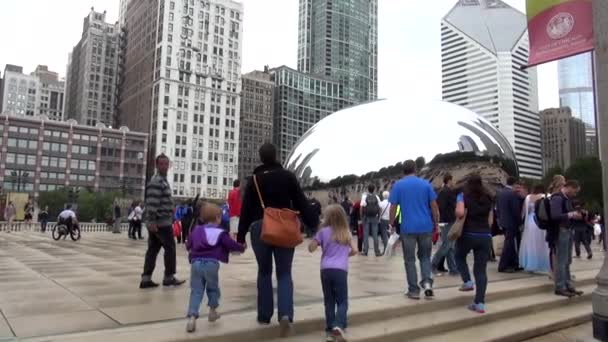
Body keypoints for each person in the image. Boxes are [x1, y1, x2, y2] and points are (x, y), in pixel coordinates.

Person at [237, 143, 319, 337]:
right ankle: (286, 314)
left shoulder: (254, 180)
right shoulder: (288, 177)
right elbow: (301, 201)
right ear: (276, 156)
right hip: (284, 227)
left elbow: (246, 210)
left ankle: (264, 315)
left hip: (259, 227)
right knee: (284, 273)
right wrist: (313, 223)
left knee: (264, 272)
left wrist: (240, 237)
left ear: (261, 157)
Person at [185, 203, 246, 333]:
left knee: (196, 290)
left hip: (195, 264)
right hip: (211, 264)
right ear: (218, 218)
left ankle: (192, 316)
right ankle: (212, 311)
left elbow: (188, 244)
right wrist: (242, 247)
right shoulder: (220, 232)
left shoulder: (197, 230)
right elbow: (231, 244)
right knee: (213, 288)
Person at [389, 160, 440, 300]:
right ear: (415, 169)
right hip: (426, 226)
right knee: (425, 257)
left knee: (409, 260)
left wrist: (391, 224)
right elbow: (434, 206)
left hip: (408, 228)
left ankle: (413, 290)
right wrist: (436, 223)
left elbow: (393, 207)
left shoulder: (398, 185)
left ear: (403, 171)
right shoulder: (426, 184)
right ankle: (428, 284)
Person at [308, 205, 358, 342]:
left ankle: (330, 329)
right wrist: (343, 256)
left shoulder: (323, 231)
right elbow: (354, 251)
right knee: (342, 301)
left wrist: (316, 238)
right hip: (341, 270)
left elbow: (311, 248)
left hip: (325, 269)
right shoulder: (346, 232)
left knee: (329, 301)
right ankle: (338, 325)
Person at [140, 154, 185, 289]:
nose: (164, 166)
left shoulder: (162, 181)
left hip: (160, 221)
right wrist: (152, 221)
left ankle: (146, 279)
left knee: (152, 250)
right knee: (170, 249)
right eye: (161, 164)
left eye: (166, 164)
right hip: (161, 222)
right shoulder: (157, 181)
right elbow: (152, 202)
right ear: (157, 165)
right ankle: (169, 277)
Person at [454, 174, 494, 314]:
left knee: (458, 256)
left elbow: (459, 212)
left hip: (468, 233)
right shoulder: (488, 197)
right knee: (481, 270)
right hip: (485, 235)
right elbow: (490, 221)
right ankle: (480, 303)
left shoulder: (463, 195)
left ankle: (467, 282)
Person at [550, 180, 584, 297]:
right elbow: (555, 215)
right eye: (575, 191)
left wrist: (575, 216)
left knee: (567, 260)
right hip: (561, 231)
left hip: (567, 230)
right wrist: (571, 214)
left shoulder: (566, 199)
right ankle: (560, 286)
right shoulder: (557, 198)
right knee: (562, 260)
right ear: (569, 187)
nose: (575, 194)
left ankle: (568, 285)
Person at [519, 185, 551, 273]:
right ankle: (544, 264)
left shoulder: (528, 197)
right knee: (542, 243)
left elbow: (524, 212)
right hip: (541, 221)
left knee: (531, 243)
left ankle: (531, 263)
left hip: (530, 221)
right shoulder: (547, 196)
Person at [432, 174, 458, 276]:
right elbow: (441, 207)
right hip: (447, 221)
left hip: (448, 220)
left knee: (450, 246)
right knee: (447, 245)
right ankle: (433, 264)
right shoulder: (445, 192)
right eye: (452, 181)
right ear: (449, 181)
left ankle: (453, 269)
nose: (453, 183)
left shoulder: (444, 191)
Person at [496, 177, 524, 273]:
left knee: (510, 244)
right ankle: (503, 265)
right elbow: (515, 210)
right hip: (512, 222)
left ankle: (513, 263)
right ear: (514, 184)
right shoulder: (512, 194)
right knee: (509, 244)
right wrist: (520, 222)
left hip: (504, 222)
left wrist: (499, 220)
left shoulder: (500, 192)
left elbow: (498, 208)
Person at [360, 185, 382, 256]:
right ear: (374, 189)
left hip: (366, 217)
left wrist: (361, 217)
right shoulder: (377, 197)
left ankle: (365, 251)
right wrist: (379, 217)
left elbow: (361, 208)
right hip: (375, 218)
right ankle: (377, 252)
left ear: (368, 189)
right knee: (375, 235)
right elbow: (379, 208)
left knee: (366, 235)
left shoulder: (364, 197)